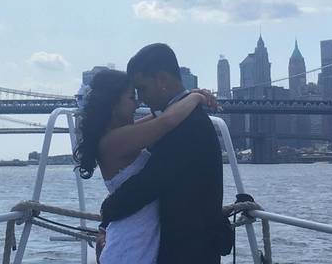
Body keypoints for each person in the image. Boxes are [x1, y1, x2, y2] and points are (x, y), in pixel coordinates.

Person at [100, 43, 229, 264]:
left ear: (161, 80)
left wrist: (106, 211)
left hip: (187, 252)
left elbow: (150, 183)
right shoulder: (182, 119)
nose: (141, 98)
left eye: (142, 88)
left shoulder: (187, 125)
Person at [74, 67, 217, 264]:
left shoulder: (117, 136)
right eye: (131, 97)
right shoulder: (114, 140)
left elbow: (160, 115)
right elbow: (167, 121)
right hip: (130, 246)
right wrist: (195, 98)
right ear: (114, 104)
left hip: (137, 241)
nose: (138, 102)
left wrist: (188, 96)